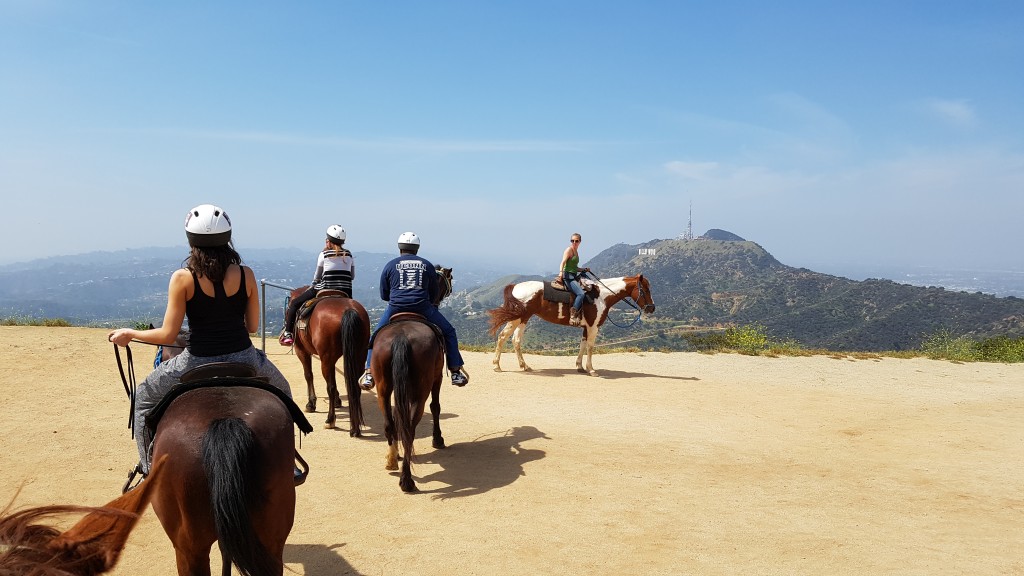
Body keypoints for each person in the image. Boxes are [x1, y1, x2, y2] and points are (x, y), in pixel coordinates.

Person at [108, 204, 295, 482]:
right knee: (284, 391)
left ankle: (148, 470)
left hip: (195, 361)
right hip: (244, 358)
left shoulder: (182, 278)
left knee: (144, 398)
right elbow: (253, 326)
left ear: (191, 240)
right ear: (228, 237)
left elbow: (168, 336)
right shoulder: (246, 274)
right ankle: (288, 463)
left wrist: (130, 334)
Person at [359, 232, 469, 389]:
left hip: (395, 307)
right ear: (417, 248)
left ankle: (369, 373)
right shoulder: (427, 265)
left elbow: (384, 294)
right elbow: (434, 294)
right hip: (422, 307)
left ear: (400, 248)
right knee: (449, 332)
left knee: (375, 336)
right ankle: (456, 371)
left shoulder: (390, 265)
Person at [280, 224, 355, 345]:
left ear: (329, 241)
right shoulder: (349, 254)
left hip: (325, 288)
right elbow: (352, 276)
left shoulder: (323, 255)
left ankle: (288, 333)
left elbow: (317, 277)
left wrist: (314, 283)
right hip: (345, 291)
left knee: (294, 303)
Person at [558, 232, 589, 326]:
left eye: (576, 241)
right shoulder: (569, 250)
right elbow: (563, 263)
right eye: (572, 240)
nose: (574, 242)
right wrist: (560, 273)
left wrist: (583, 269)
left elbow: (574, 267)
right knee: (581, 293)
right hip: (568, 277)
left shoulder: (576, 251)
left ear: (580, 242)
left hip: (573, 274)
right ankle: (573, 314)